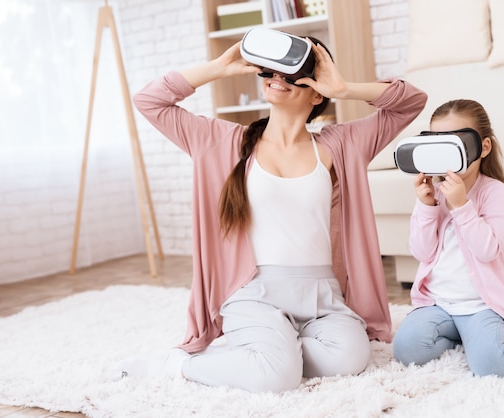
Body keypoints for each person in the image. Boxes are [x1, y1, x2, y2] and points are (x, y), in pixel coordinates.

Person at [111, 36, 427, 392]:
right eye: (272, 71)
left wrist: (342, 87)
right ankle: (179, 365)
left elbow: (411, 102)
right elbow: (150, 101)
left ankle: (267, 353)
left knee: (350, 358)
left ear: (316, 92)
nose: (278, 77)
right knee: (277, 377)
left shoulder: (340, 144)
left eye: (294, 73)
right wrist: (218, 69)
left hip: (323, 296)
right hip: (254, 292)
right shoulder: (222, 140)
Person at [392, 99, 504, 377]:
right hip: (438, 304)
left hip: (481, 306)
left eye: (456, 143)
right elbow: (422, 253)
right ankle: (467, 337)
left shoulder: (494, 192)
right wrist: (427, 207)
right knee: (406, 349)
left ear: (482, 147)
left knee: (491, 365)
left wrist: (461, 206)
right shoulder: (432, 193)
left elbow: (487, 251)